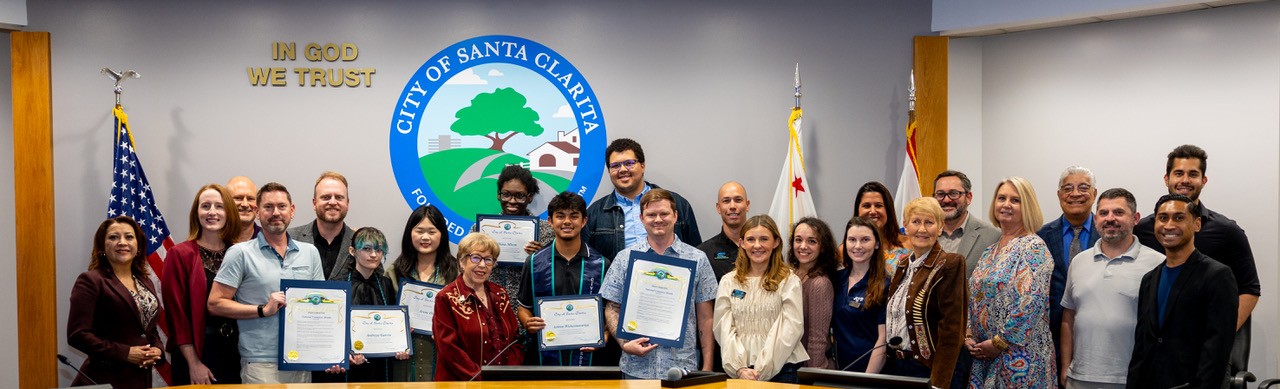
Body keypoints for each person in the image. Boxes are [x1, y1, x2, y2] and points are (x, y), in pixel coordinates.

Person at [1133, 145, 1259, 373]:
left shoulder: (1228, 231)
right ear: (1166, 178)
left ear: (1204, 180)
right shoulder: (1145, 229)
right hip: (1157, 353)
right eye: (1178, 173)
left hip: (1203, 355)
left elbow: (1249, 288)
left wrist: (1219, 335)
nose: (1185, 180)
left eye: (1193, 174)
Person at [209, 182, 324, 384]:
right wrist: (262, 309)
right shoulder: (240, 253)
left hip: (303, 360)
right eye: (268, 207)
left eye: (281, 206)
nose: (275, 213)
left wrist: (329, 353)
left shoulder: (310, 253)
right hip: (261, 364)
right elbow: (215, 303)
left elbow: (323, 308)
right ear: (257, 212)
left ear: (292, 210)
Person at [601, 188, 718, 379]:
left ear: (675, 216)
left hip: (682, 368)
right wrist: (624, 343)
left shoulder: (698, 259)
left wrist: (707, 366)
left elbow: (705, 317)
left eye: (664, 213)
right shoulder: (625, 259)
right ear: (641, 218)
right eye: (651, 214)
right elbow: (612, 307)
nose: (658, 219)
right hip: (635, 368)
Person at [1127, 194, 1237, 389]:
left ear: (1197, 224)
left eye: (1179, 218)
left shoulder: (1217, 275)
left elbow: (1217, 349)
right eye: (1163, 218)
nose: (1169, 225)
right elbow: (1142, 347)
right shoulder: (1149, 280)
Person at [1058, 188, 1163, 388]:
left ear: (1136, 218)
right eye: (1104, 213)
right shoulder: (1079, 261)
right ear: (1096, 219)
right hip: (1079, 377)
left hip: (1132, 379)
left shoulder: (1158, 264)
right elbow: (1068, 317)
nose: (1110, 218)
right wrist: (1065, 366)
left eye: (1119, 212)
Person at [967, 177, 1056, 388]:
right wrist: (968, 334)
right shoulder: (990, 250)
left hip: (1021, 359)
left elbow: (1030, 303)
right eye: (1001, 198)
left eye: (1015, 200)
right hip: (984, 355)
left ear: (1028, 207)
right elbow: (974, 296)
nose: (1006, 204)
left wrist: (999, 342)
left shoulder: (1034, 247)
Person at [516, 191, 619, 366]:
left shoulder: (602, 264)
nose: (567, 222)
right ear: (550, 221)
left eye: (574, 216)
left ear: (584, 221)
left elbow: (610, 311)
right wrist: (528, 322)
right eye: (560, 216)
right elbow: (523, 308)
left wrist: (606, 333)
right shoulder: (534, 263)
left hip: (589, 358)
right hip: (544, 358)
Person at [67, 217, 165, 388]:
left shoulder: (145, 281)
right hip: (105, 379)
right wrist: (125, 353)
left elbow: (149, 327)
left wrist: (157, 349)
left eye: (129, 237)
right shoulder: (91, 281)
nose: (122, 242)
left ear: (138, 245)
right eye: (113, 237)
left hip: (141, 379)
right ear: (102, 246)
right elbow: (78, 335)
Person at [161, 184, 245, 385]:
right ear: (196, 213)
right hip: (197, 353)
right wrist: (194, 363)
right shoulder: (179, 255)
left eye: (219, 206)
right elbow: (176, 316)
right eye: (205, 206)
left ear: (229, 213)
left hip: (237, 352)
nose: (212, 212)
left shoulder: (241, 253)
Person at [714, 215, 808, 382]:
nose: (757, 245)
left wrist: (762, 371)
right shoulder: (729, 281)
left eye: (764, 239)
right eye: (751, 239)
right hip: (740, 372)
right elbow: (724, 328)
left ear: (776, 242)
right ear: (742, 243)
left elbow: (791, 329)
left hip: (782, 370)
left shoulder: (789, 280)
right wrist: (739, 368)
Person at [884, 198, 966, 388]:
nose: (922, 229)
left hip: (927, 370)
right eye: (916, 222)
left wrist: (939, 383)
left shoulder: (950, 264)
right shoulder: (902, 266)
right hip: (896, 367)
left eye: (929, 222)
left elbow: (952, 332)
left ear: (939, 228)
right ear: (906, 226)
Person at [316, 227, 410, 382]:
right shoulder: (337, 285)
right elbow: (329, 329)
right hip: (347, 368)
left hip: (381, 366)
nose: (373, 255)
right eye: (367, 249)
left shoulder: (386, 284)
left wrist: (401, 342)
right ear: (352, 251)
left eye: (379, 250)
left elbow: (393, 324)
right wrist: (341, 354)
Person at [585, 138, 700, 260]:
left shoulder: (677, 204)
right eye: (615, 165)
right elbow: (590, 265)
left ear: (643, 166)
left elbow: (695, 254)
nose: (623, 170)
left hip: (672, 277)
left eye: (629, 163)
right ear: (609, 171)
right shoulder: (594, 214)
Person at [434, 233, 524, 380]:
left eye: (488, 260)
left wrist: (507, 374)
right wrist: (480, 380)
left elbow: (516, 341)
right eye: (475, 258)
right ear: (462, 262)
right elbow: (448, 349)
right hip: (462, 383)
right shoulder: (446, 298)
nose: (482, 265)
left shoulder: (500, 293)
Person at [388, 205, 462, 382]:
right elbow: (385, 315)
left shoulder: (456, 273)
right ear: (409, 233)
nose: (425, 237)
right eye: (419, 231)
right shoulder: (394, 271)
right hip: (403, 359)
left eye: (432, 231)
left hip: (443, 357)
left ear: (442, 234)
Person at [1036, 166, 1099, 367]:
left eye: (1083, 188)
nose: (1075, 194)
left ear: (1094, 193)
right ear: (1059, 195)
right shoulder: (1041, 237)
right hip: (1051, 337)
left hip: (1098, 332)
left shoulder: (1109, 232)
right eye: (1067, 188)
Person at [470, 165, 554, 308]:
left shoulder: (546, 232)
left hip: (528, 312)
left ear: (529, 197)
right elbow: (466, 269)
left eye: (519, 196)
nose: (512, 201)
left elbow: (553, 277)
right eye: (506, 194)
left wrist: (540, 258)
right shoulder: (480, 229)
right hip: (488, 308)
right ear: (498, 195)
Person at [832, 217, 891, 374]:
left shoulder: (885, 284)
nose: (857, 246)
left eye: (865, 240)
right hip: (838, 370)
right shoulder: (836, 280)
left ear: (877, 244)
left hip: (871, 373)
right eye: (852, 240)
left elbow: (883, 340)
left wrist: (866, 379)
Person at [786, 217, 838, 369]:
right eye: (798, 240)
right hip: (791, 365)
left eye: (811, 241)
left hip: (810, 368)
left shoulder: (819, 284)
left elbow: (817, 340)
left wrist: (813, 375)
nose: (803, 246)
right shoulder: (791, 275)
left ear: (822, 247)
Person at [288, 171, 356, 280]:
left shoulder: (360, 243)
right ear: (314, 203)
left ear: (347, 203)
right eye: (326, 197)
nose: (333, 202)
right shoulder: (290, 239)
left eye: (339, 197)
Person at [933, 170, 1000, 277]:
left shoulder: (993, 237)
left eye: (953, 193)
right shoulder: (925, 235)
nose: (946, 200)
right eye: (940, 194)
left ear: (968, 197)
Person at [853, 181, 912, 272]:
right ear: (858, 211)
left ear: (888, 210)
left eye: (878, 205)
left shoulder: (909, 245)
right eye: (867, 206)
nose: (872, 211)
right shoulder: (846, 250)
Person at [698, 181, 751, 281]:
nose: (732, 206)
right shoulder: (703, 254)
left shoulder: (762, 250)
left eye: (738, 200)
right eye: (726, 201)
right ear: (718, 208)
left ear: (747, 205)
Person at [226, 176, 260, 243]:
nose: (245, 204)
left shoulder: (269, 240)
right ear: (225, 201)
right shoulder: (214, 240)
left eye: (250, 199)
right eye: (238, 198)